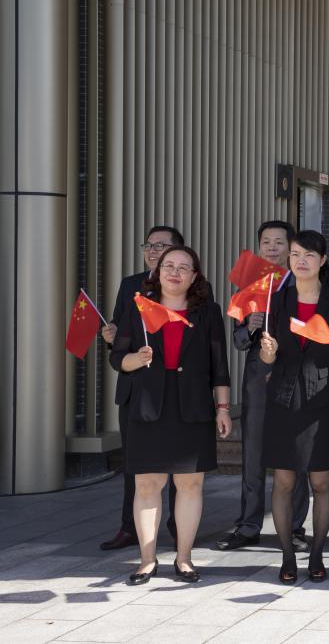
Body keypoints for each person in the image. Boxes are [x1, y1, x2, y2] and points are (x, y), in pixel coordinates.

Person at [109, 246, 232, 584]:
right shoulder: (139, 308)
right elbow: (117, 357)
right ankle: (147, 560)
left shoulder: (208, 312)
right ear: (157, 272)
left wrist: (223, 408)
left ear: (194, 276)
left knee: (190, 484)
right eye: (168, 266)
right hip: (148, 407)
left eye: (183, 267)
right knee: (147, 484)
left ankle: (184, 558)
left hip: (192, 408)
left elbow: (219, 367)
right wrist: (137, 358)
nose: (174, 272)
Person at [258, 230, 329, 584]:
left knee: (321, 480)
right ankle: (287, 556)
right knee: (284, 480)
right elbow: (268, 358)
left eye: (309, 255)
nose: (301, 261)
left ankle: (316, 553)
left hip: (322, 397)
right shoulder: (277, 299)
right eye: (296, 254)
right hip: (283, 397)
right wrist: (267, 352)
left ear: (322, 260)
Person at [216, 220, 311, 553]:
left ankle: (295, 526)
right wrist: (251, 327)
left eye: (279, 242)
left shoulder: (303, 284)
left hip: (293, 379)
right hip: (258, 380)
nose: (272, 247)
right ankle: (248, 525)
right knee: (253, 454)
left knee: (295, 454)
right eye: (266, 242)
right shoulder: (252, 284)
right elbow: (238, 340)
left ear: (291, 248)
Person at [99, 225, 185, 551]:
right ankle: (130, 526)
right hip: (136, 386)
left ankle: (179, 524)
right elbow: (119, 332)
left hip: (175, 386)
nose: (152, 251)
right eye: (148, 245)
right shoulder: (130, 285)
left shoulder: (188, 287)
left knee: (178, 463)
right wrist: (111, 336)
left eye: (160, 246)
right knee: (134, 462)